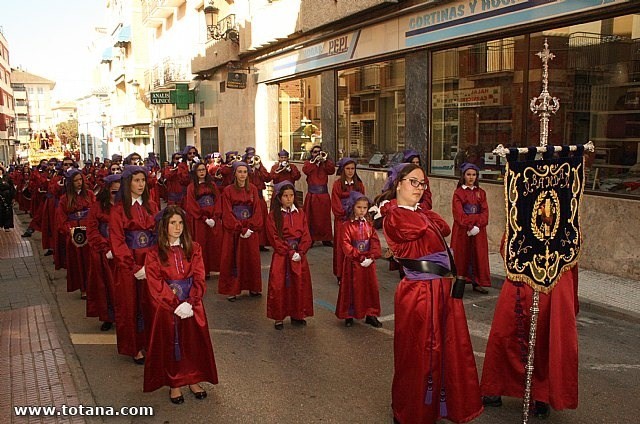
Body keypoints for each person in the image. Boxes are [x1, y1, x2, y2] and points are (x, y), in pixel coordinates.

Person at [377, 163, 483, 424]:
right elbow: (412, 229)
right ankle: (411, 411)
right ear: (398, 183)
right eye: (413, 181)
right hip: (420, 293)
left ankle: (438, 406)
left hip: (441, 290)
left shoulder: (419, 212)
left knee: (445, 350)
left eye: (422, 183)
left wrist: (422, 210)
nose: (419, 188)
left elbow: (444, 228)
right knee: (418, 353)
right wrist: (395, 206)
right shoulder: (395, 215)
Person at [480, 237, 579, 418]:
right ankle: (498, 387)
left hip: (547, 284)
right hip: (524, 281)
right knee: (507, 335)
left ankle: (541, 396)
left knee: (542, 340)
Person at [144, 206, 218, 404]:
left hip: (192, 303)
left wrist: (192, 301)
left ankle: (193, 379)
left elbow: (199, 275)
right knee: (171, 342)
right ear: (164, 226)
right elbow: (155, 282)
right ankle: (175, 383)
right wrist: (175, 304)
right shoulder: (154, 253)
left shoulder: (194, 248)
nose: (178, 227)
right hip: (169, 306)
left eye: (180, 223)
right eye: (173, 223)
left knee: (193, 342)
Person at [109, 165, 159, 364]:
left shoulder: (152, 206)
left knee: (151, 303)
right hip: (129, 264)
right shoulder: (118, 210)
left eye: (143, 180)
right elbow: (117, 241)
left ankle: (151, 343)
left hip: (150, 261)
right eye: (136, 180)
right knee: (130, 306)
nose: (140, 184)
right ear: (128, 183)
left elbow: (157, 234)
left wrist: (155, 262)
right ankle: (134, 347)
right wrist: (133, 267)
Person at [265, 180, 314, 330]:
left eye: (291, 195)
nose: (289, 198)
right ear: (279, 198)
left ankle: (297, 314)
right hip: (282, 255)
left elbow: (306, 234)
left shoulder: (300, 213)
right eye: (285, 196)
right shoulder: (274, 215)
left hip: (299, 254)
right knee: (279, 286)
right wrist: (289, 251)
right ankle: (279, 316)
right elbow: (274, 237)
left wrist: (301, 250)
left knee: (299, 285)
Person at [219, 162, 264, 301]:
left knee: (251, 258)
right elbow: (227, 211)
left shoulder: (253, 189)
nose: (242, 174)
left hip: (250, 229)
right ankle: (232, 289)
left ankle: (253, 286)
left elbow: (257, 209)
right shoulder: (228, 190)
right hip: (234, 230)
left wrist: (251, 227)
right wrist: (239, 228)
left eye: (245, 171)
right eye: (240, 171)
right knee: (232, 258)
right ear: (235, 173)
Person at [336, 192, 382, 328]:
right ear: (352, 207)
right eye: (359, 207)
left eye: (365, 208)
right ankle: (349, 314)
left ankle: (370, 314)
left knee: (370, 288)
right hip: (353, 263)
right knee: (351, 288)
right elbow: (346, 245)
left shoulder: (369, 225)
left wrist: (371, 256)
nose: (362, 211)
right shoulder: (346, 226)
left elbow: (375, 242)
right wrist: (360, 257)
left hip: (368, 263)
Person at [86, 173, 121, 331]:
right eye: (114, 192)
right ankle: (107, 317)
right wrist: (105, 247)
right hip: (103, 252)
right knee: (104, 286)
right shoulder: (97, 206)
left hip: (121, 251)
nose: (117, 195)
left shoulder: (125, 205)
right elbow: (92, 230)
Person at [450, 162, 491, 294]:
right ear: (463, 176)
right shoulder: (459, 193)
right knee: (461, 254)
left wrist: (478, 225)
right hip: (463, 230)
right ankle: (459, 280)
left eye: (474, 175)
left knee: (478, 254)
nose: (471, 177)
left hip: (478, 229)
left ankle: (477, 282)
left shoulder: (481, 193)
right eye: (468, 174)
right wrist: (469, 226)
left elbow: (485, 211)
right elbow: (458, 213)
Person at [55, 168, 96, 297]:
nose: (79, 182)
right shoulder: (64, 199)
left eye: (80, 180)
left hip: (88, 228)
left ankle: (93, 286)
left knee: (91, 260)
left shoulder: (89, 194)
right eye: (75, 180)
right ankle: (83, 288)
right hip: (74, 232)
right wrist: (70, 230)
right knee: (78, 261)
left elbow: (95, 212)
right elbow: (61, 219)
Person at [184, 162, 222, 276]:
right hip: (200, 220)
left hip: (213, 218)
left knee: (214, 243)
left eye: (203, 170)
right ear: (195, 172)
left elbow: (218, 200)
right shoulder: (191, 187)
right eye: (199, 170)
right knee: (201, 244)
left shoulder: (212, 185)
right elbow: (191, 204)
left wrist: (215, 217)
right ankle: (203, 270)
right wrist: (204, 218)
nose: (201, 172)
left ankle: (215, 267)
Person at [331, 157, 365, 283]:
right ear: (343, 170)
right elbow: (335, 203)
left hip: (356, 220)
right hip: (343, 220)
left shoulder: (359, 185)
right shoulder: (337, 184)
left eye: (352, 168)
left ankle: (355, 272)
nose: (350, 171)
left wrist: (358, 215)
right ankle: (341, 274)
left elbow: (363, 201)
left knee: (355, 246)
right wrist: (345, 214)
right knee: (342, 247)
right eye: (347, 169)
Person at [302, 145, 336, 246]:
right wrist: (314, 162)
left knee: (324, 218)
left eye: (319, 152)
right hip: (312, 194)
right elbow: (306, 171)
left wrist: (324, 161)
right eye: (315, 152)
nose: (317, 154)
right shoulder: (309, 163)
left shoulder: (324, 164)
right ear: (311, 154)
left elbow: (331, 171)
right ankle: (311, 238)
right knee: (311, 218)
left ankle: (326, 238)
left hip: (323, 194)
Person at [244, 147, 272, 251]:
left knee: (262, 220)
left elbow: (268, 178)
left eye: (253, 158)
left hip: (259, 197)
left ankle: (261, 243)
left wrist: (259, 167)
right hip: (248, 198)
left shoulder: (260, 167)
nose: (251, 160)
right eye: (249, 158)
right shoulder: (244, 169)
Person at [0, 165, 16, 231]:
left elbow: (12, 187)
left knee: (8, 211)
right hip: (0, 197)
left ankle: (7, 226)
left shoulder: (7, 177)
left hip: (7, 196)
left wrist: (13, 197)